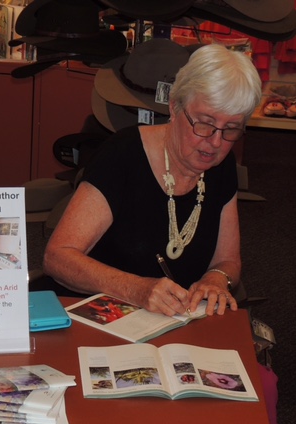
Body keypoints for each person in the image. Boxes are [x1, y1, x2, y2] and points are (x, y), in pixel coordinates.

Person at [43, 44, 262, 318]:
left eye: (231, 129)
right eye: (204, 124)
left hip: (171, 322)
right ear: (174, 107)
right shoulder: (122, 155)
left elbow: (227, 261)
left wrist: (216, 279)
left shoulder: (221, 166)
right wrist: (137, 289)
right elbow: (58, 257)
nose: (215, 142)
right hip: (96, 315)